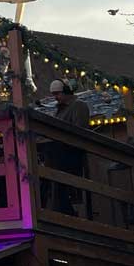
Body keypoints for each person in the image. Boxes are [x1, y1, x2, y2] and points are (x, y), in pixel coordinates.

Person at [44, 79, 90, 215]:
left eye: (57, 94)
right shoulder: (60, 109)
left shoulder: (78, 106)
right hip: (57, 153)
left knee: (61, 187)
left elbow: (79, 130)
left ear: (67, 92)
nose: (55, 98)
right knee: (54, 186)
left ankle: (65, 212)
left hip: (70, 154)